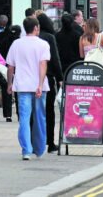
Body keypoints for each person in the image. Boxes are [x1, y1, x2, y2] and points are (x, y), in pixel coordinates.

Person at [6, 17, 50, 161]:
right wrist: (40, 84)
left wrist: (9, 83)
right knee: (40, 117)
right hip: (39, 86)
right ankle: (39, 148)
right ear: (36, 28)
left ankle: (26, 149)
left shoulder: (16, 44)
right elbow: (43, 65)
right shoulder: (43, 44)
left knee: (24, 118)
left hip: (22, 85)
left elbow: (10, 66)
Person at [36, 12, 63, 153]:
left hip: (32, 79)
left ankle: (35, 142)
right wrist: (60, 78)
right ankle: (50, 143)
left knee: (34, 112)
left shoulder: (33, 37)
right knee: (49, 112)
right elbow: (55, 59)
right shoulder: (49, 37)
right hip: (47, 78)